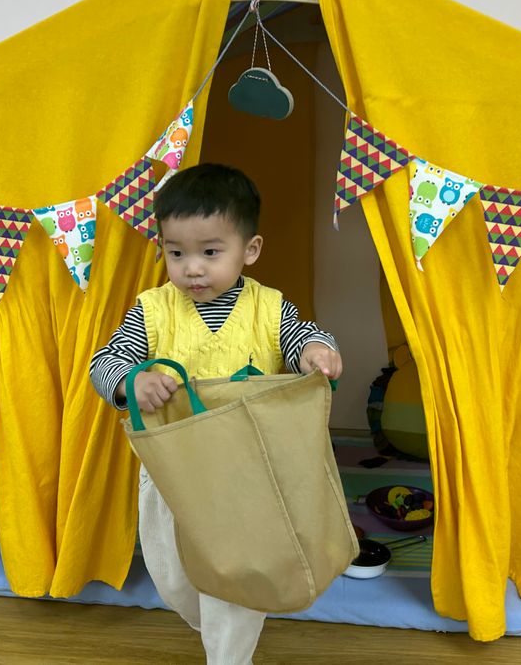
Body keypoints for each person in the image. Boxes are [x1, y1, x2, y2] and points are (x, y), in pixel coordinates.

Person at [90, 163, 342, 665]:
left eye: (210, 252)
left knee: (230, 582)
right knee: (175, 579)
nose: (192, 268)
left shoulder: (269, 309)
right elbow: (105, 363)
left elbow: (302, 341)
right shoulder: (152, 309)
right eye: (176, 253)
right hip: (172, 473)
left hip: (247, 474)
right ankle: (225, 627)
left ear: (250, 251)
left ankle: (230, 653)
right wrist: (131, 380)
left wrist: (318, 350)